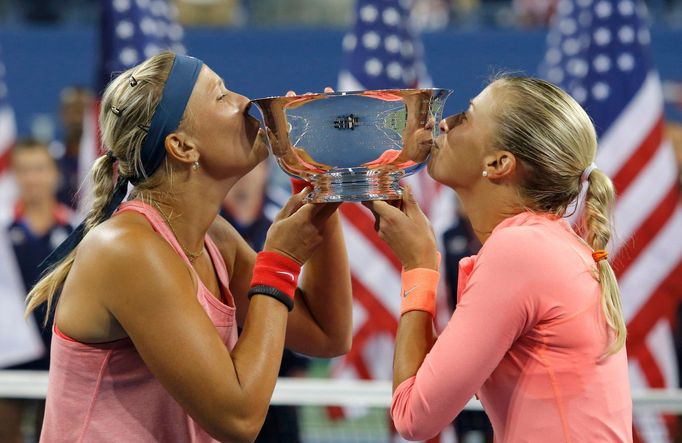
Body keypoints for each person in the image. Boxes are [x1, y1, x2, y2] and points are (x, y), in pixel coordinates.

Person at [25, 51, 353, 443]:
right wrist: (279, 263)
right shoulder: (127, 249)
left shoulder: (216, 239)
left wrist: (318, 182)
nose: (245, 102)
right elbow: (239, 419)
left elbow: (327, 334)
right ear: (182, 146)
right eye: (221, 96)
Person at [365, 75, 632, 442]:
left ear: (499, 163)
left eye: (468, 117)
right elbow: (435, 380)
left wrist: (419, 266)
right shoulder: (537, 246)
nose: (445, 122)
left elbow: (413, 417)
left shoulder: (521, 252)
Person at [0, 139, 73, 443]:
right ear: (14, 176)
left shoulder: (78, 228)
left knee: (56, 435)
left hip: (61, 350)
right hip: (9, 353)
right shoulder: (3, 228)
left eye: (39, 169)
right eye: (24, 170)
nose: (32, 178)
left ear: (54, 174)